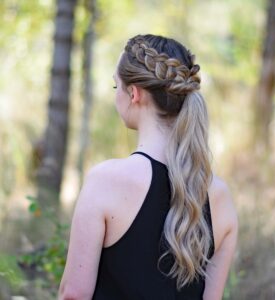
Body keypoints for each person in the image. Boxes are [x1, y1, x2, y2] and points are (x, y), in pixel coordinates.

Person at [58, 34, 238, 300]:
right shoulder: (220, 197)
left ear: (134, 93)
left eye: (115, 87)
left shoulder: (106, 181)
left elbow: (74, 294)